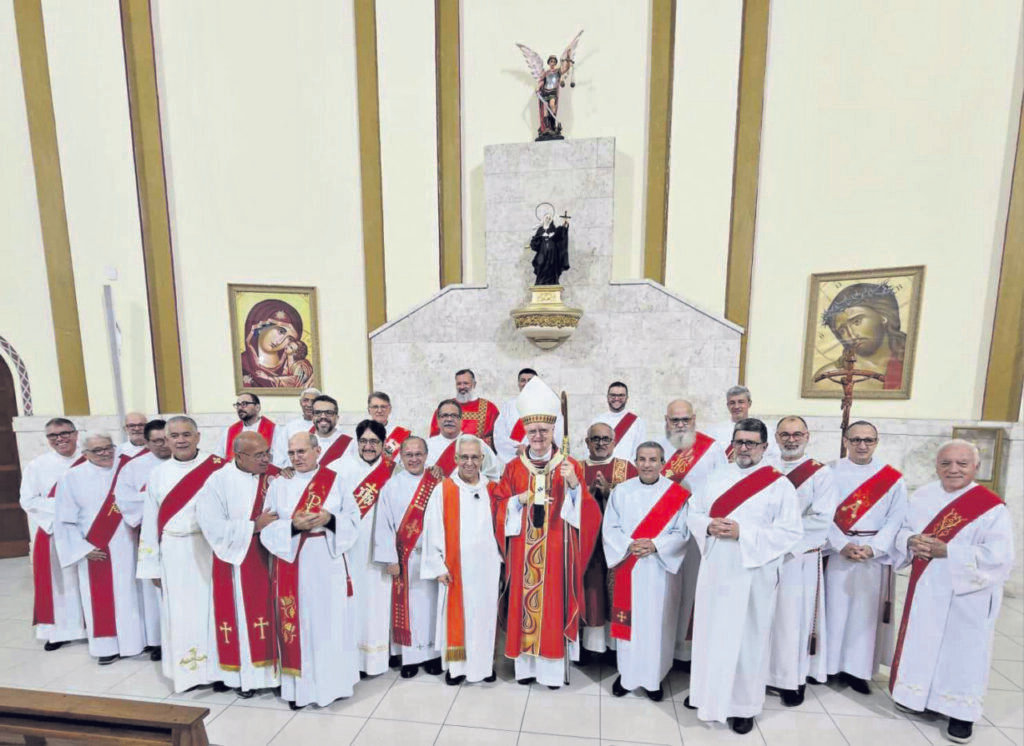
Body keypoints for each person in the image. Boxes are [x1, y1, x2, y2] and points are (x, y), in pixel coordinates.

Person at [889, 440, 1014, 744]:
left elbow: (1000, 557)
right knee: (923, 642)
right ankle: (917, 697)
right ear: (937, 466)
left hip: (968, 593)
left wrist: (951, 552)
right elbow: (903, 528)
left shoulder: (990, 507)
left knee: (963, 653)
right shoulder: (922, 496)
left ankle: (960, 713)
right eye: (946, 463)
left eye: (962, 463)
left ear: (976, 467)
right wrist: (909, 541)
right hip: (927, 587)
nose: (953, 469)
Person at [683, 418, 802, 734]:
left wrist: (743, 532)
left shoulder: (779, 485)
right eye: (740, 442)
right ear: (732, 444)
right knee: (711, 633)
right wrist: (707, 526)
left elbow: (791, 532)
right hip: (716, 569)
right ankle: (706, 695)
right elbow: (692, 513)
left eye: (751, 443)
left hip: (753, 574)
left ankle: (743, 706)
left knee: (747, 640)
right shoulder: (715, 477)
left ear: (765, 446)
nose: (744, 448)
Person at [489, 377, 601, 688]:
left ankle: (551, 673)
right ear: (525, 431)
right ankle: (525, 671)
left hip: (556, 553)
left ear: (554, 431)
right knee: (524, 606)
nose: (538, 436)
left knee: (552, 610)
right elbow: (498, 505)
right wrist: (518, 501)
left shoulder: (569, 465)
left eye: (544, 430)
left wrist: (575, 486)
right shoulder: (513, 467)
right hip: (523, 553)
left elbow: (588, 515)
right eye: (533, 431)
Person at [261, 432, 361, 709]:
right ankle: (300, 690)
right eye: (292, 453)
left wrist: (330, 520)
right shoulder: (279, 484)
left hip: (327, 561)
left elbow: (354, 520)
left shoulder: (336, 480)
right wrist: (293, 527)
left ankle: (335, 684)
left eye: (302, 451)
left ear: (317, 451)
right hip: (293, 562)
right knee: (301, 623)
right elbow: (265, 526)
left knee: (332, 622)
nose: (297, 458)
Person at [137, 416, 227, 692]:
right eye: (174, 435)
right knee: (181, 613)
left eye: (186, 434)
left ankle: (220, 671)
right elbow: (150, 523)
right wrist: (151, 566)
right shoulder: (158, 474)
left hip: (210, 549)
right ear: (166, 439)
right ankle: (189, 674)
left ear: (198, 436)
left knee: (215, 610)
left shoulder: (218, 468)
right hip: (175, 552)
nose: (181, 440)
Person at [195, 432, 281, 697]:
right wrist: (252, 527)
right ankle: (248, 678)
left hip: (274, 557)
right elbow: (210, 524)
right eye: (259, 455)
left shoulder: (275, 476)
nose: (266, 459)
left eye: (267, 452)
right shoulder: (218, 481)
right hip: (240, 560)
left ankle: (278, 676)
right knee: (245, 618)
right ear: (239, 456)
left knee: (276, 614)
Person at [825, 420, 907, 695]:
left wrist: (874, 547)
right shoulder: (829, 471)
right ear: (846, 441)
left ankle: (857, 670)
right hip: (840, 551)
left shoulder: (892, 478)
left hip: (873, 554)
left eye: (868, 440)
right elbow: (821, 513)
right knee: (833, 610)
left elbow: (897, 518)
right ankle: (827, 666)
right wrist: (841, 544)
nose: (862, 445)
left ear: (876, 442)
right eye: (856, 439)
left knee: (865, 615)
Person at [604, 442, 689, 701]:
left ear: (663, 463)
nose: (647, 464)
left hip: (659, 571)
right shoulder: (622, 491)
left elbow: (682, 533)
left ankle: (653, 679)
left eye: (653, 459)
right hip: (629, 567)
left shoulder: (675, 494)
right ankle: (627, 676)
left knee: (656, 625)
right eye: (641, 459)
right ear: (636, 461)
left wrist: (656, 545)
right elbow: (611, 527)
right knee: (628, 624)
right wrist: (629, 544)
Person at [54, 433, 146, 665]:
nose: (105, 453)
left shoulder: (126, 469)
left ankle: (136, 642)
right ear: (85, 454)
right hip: (95, 545)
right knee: (100, 597)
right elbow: (63, 519)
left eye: (108, 448)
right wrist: (81, 549)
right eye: (98, 450)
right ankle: (106, 646)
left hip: (127, 542)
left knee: (131, 595)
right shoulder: (71, 477)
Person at [766, 416, 838, 706]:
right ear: (776, 436)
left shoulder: (821, 474)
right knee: (765, 617)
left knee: (791, 620)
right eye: (785, 434)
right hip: (765, 555)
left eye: (797, 434)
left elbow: (821, 519)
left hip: (798, 558)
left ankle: (790, 680)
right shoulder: (766, 468)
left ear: (807, 436)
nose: (791, 439)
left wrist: (780, 539)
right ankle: (761, 674)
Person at [422, 435, 504, 684]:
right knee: (458, 618)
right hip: (456, 569)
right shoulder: (444, 489)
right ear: (456, 459)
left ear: (482, 459)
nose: (469, 462)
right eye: (464, 457)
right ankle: (457, 670)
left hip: (487, 568)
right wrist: (437, 565)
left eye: (474, 457)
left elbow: (502, 525)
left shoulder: (492, 489)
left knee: (485, 618)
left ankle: (484, 667)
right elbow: (432, 528)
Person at [652, 399, 726, 668]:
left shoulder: (711, 448)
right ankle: (659, 647)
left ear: (694, 420)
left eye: (685, 420)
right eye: (675, 420)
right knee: (664, 590)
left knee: (693, 589)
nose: (680, 425)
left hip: (697, 530)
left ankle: (684, 652)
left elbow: (722, 487)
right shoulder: (656, 446)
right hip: (663, 530)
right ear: (666, 420)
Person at [373, 437, 442, 679]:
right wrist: (390, 558)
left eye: (418, 454)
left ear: (426, 455)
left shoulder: (438, 483)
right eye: (409, 454)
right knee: (410, 607)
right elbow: (383, 525)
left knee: (434, 605)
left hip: (434, 556)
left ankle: (434, 656)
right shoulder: (391, 486)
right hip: (406, 558)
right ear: (401, 457)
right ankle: (410, 658)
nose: (414, 459)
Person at [330, 419, 394, 676]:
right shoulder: (338, 468)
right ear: (357, 442)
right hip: (349, 546)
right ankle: (351, 660)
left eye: (374, 442)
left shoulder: (393, 470)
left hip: (381, 547)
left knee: (377, 602)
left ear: (382, 444)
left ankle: (376, 660)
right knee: (351, 601)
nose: (369, 447)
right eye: (364, 441)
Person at [19, 417, 87, 650]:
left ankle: (93, 628)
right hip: (54, 532)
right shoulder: (37, 465)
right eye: (53, 436)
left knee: (87, 580)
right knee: (60, 583)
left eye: (65, 433)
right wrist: (63, 507)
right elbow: (27, 499)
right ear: (47, 439)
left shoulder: (91, 459)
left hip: (88, 530)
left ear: (76, 434)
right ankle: (59, 632)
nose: (60, 439)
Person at [579, 422, 636, 660]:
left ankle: (616, 647)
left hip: (619, 547)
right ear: (587, 442)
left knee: (616, 593)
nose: (601, 443)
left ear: (614, 442)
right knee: (592, 592)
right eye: (596, 439)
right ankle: (592, 648)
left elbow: (638, 504)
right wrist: (589, 495)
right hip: (588, 546)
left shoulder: (627, 468)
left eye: (605, 439)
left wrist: (609, 492)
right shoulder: (577, 468)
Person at [116, 419, 171, 660]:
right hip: (150, 533)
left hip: (186, 536)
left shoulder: (189, 463)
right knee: (154, 592)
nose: (163, 445)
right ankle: (158, 640)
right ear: (146, 443)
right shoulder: (134, 467)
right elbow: (124, 500)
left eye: (166, 439)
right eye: (156, 441)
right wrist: (154, 500)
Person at [815, 282, 907, 391]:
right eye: (842, 330)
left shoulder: (911, 364)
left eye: (857, 322)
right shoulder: (827, 378)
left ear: (883, 315)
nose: (851, 335)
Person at [493, 368, 563, 463]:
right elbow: (499, 434)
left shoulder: (549, 406)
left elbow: (559, 433)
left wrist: (538, 450)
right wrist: (516, 449)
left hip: (543, 459)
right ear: (518, 384)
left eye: (530, 381)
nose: (526, 384)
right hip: (514, 458)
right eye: (522, 381)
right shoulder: (509, 406)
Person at [428, 400, 500, 481]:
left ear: (461, 420)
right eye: (444, 415)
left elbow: (493, 475)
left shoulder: (478, 443)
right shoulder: (426, 446)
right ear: (437, 420)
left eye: (454, 416)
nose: (449, 419)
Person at [428, 369, 500, 449]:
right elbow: (435, 437)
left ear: (474, 384)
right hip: (448, 453)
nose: (462, 387)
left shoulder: (489, 408)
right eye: (459, 384)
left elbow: (498, 438)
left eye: (466, 383)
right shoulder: (445, 408)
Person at [706, 386, 778, 461]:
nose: (736, 406)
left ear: (749, 404)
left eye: (741, 402)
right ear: (727, 406)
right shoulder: (714, 432)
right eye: (732, 403)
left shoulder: (765, 430)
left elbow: (773, 456)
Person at [216, 393, 287, 467]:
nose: (240, 408)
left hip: (261, 475)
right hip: (233, 475)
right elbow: (218, 456)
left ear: (257, 407)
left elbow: (280, 458)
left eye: (244, 404)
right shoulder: (229, 431)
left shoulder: (274, 430)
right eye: (238, 405)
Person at [591, 381, 646, 461]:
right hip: (601, 468)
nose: (616, 398)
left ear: (627, 398)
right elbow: (590, 450)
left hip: (627, 470)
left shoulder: (637, 422)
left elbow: (640, 451)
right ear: (607, 397)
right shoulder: (597, 421)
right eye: (613, 395)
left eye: (621, 395)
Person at [368, 391, 411, 467]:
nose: (379, 410)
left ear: (390, 409)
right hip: (367, 477)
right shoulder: (360, 434)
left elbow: (409, 461)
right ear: (369, 410)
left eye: (383, 407)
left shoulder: (401, 434)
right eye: (375, 407)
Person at [308, 395, 352, 467]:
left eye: (329, 412)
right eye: (318, 412)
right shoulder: (303, 440)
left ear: (337, 418)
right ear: (312, 417)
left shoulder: (350, 444)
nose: (323, 416)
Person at [529, 213, 571, 285]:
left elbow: (559, 235)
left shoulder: (553, 228)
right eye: (546, 217)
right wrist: (541, 236)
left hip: (552, 253)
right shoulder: (540, 229)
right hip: (542, 252)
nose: (548, 219)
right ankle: (540, 282)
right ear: (544, 218)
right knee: (541, 265)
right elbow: (534, 241)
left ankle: (553, 282)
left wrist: (564, 225)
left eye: (549, 218)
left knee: (551, 266)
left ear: (551, 220)